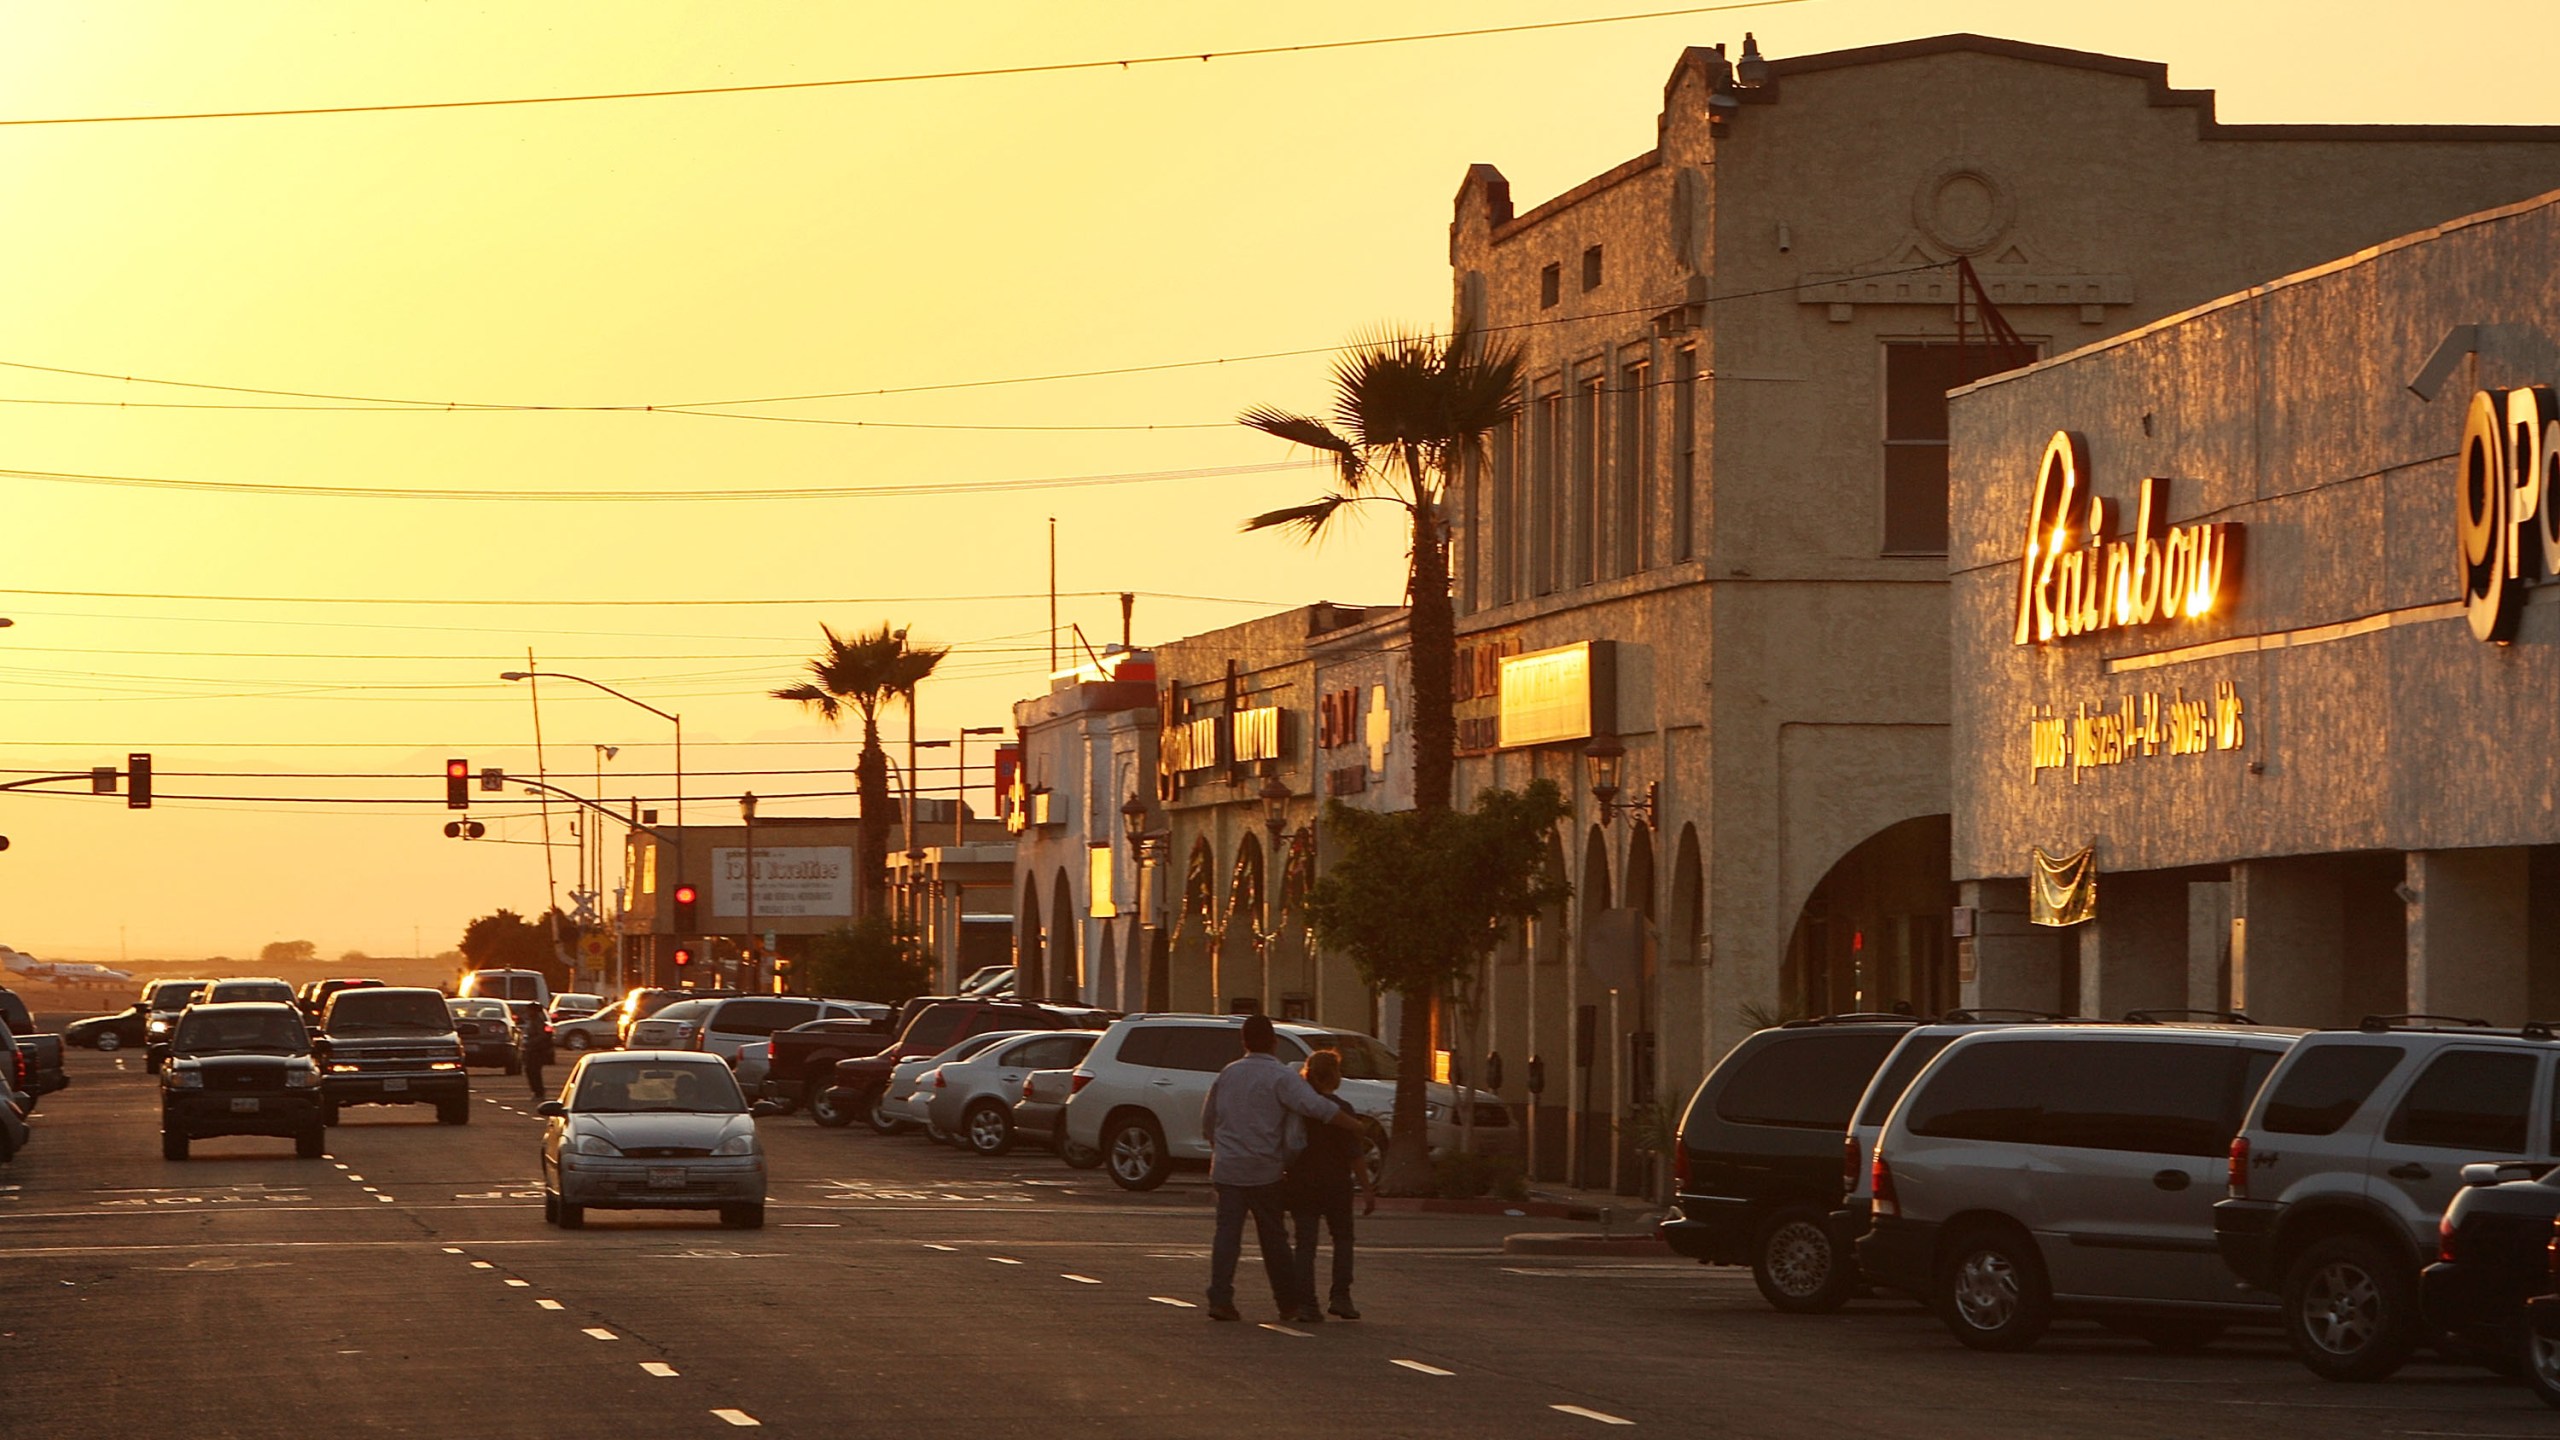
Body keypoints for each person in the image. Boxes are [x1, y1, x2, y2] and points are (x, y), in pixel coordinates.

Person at [1198, 1012, 1366, 1322]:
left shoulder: (1228, 1074)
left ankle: (1220, 1298)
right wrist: (1354, 1125)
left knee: (1227, 1236)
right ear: (1274, 1043)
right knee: (1274, 1239)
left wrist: (1218, 1148)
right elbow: (1317, 1107)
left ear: (1243, 1041)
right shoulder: (1280, 1076)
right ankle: (1287, 1302)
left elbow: (1208, 1121)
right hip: (1265, 1169)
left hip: (1228, 1168)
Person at [1283, 1048, 1375, 1323]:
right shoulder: (1341, 1111)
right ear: (1334, 1075)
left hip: (1302, 1181)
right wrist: (1367, 1188)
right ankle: (1341, 1296)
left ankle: (1307, 1303)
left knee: (1305, 1244)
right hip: (1336, 1183)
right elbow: (1355, 1154)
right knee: (1343, 1239)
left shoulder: (1299, 1111)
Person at [521, 1008, 554, 1100]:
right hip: (530, 1050)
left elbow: (542, 1036)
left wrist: (531, 1042)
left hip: (536, 1051)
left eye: (530, 1010)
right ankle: (536, 1091)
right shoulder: (531, 1021)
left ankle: (539, 1092)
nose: (528, 1012)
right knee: (529, 1070)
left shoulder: (538, 1022)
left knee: (534, 1071)